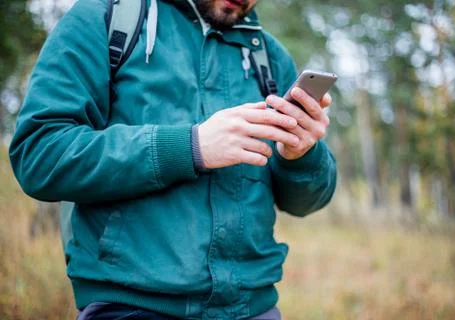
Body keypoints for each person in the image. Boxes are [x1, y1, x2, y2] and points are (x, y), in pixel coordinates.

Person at [9, 0, 337, 319]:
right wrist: (191, 147)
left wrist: (300, 154)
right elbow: (39, 153)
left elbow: (306, 202)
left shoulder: (268, 55)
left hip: (255, 308)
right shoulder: (105, 17)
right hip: (130, 307)